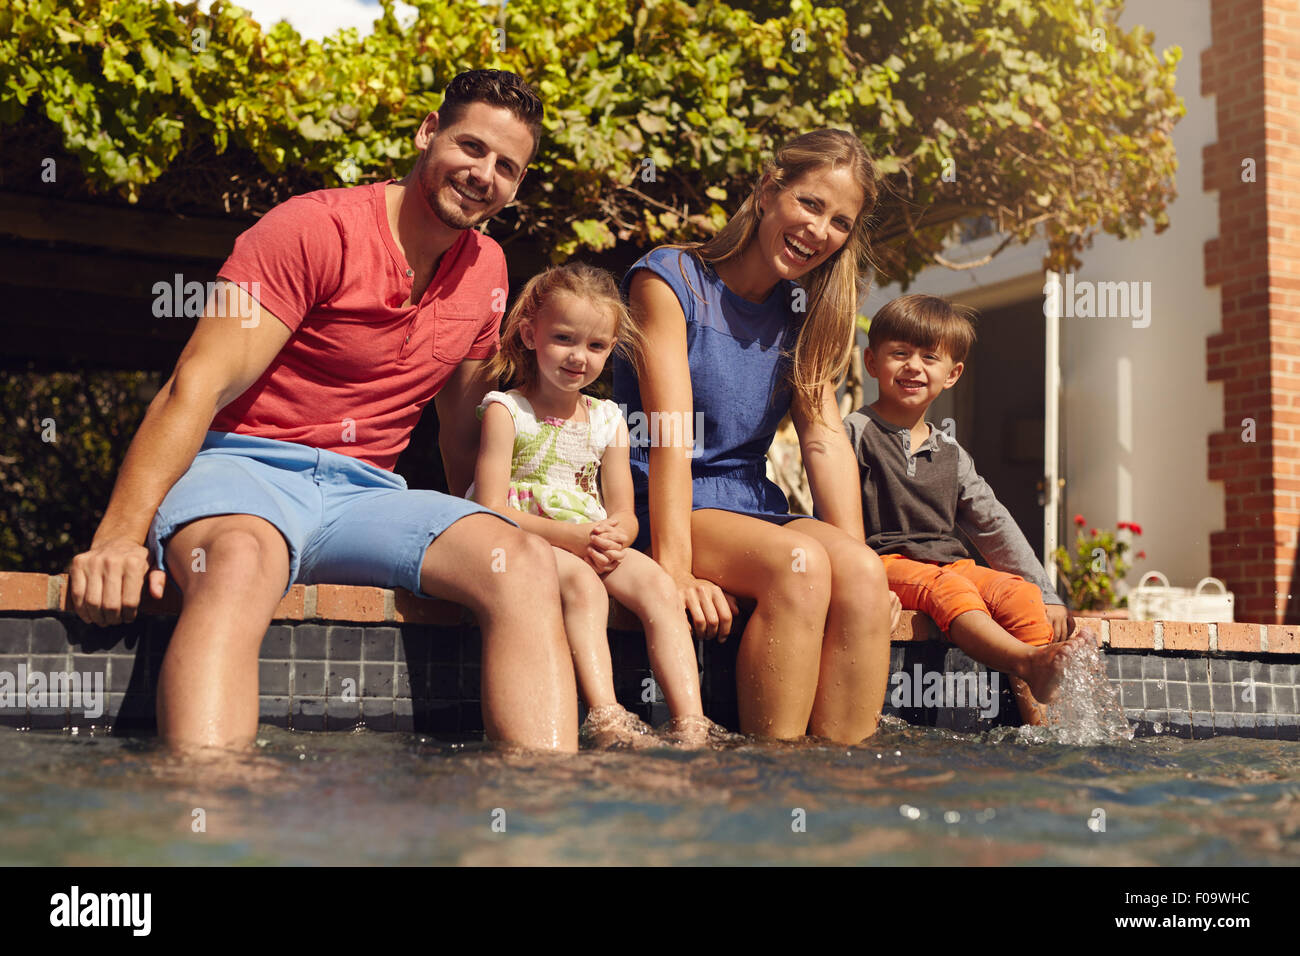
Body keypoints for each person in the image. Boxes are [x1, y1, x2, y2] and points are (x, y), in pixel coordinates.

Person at [66, 70, 579, 753]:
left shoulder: (487, 269)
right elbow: (195, 384)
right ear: (428, 133)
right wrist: (120, 538)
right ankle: (206, 818)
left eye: (507, 166)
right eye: (472, 147)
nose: (485, 174)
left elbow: (460, 427)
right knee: (241, 561)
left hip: (366, 494)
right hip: (244, 474)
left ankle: (541, 829)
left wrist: (493, 537)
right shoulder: (310, 227)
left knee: (521, 564)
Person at [612, 128, 901, 745]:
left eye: (840, 222)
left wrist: (857, 569)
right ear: (769, 190)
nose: (819, 231)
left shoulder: (807, 310)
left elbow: (823, 440)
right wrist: (676, 570)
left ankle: (835, 796)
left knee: (864, 574)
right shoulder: (669, 280)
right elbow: (667, 434)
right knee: (798, 567)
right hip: (663, 498)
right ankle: (773, 785)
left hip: (748, 504)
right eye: (811, 204)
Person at [469, 264, 708, 747]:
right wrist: (577, 539)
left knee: (661, 588)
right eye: (564, 339)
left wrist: (616, 532)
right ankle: (607, 717)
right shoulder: (507, 410)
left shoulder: (607, 420)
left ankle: (692, 723)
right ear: (530, 334)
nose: (580, 357)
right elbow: (492, 509)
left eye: (597, 346)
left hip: (588, 538)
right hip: (523, 539)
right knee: (586, 588)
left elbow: (623, 511)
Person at [847, 293, 1083, 723]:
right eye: (899, 353)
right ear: (871, 362)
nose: (913, 366)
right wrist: (853, 584)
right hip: (881, 563)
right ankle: (1029, 663)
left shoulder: (951, 453)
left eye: (929, 357)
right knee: (949, 590)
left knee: (1020, 594)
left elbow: (994, 524)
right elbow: (832, 512)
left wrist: (1047, 593)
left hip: (946, 566)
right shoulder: (855, 432)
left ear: (952, 374)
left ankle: (1040, 727)